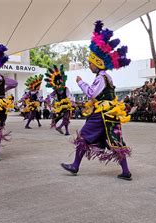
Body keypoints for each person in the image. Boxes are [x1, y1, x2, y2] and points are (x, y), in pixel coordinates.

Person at [61, 20, 132, 180]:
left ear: (98, 63)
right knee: (115, 141)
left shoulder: (101, 77)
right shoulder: (107, 77)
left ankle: (75, 166)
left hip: (101, 114)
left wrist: (80, 82)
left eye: (91, 63)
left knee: (84, 136)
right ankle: (126, 171)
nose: (89, 66)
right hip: (109, 114)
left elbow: (92, 93)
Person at [44, 65, 74, 136]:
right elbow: (69, 96)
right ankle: (59, 127)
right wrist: (72, 103)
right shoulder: (64, 89)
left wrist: (48, 100)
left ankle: (66, 131)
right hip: (65, 105)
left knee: (65, 118)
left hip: (61, 106)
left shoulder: (60, 90)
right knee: (66, 118)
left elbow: (50, 96)